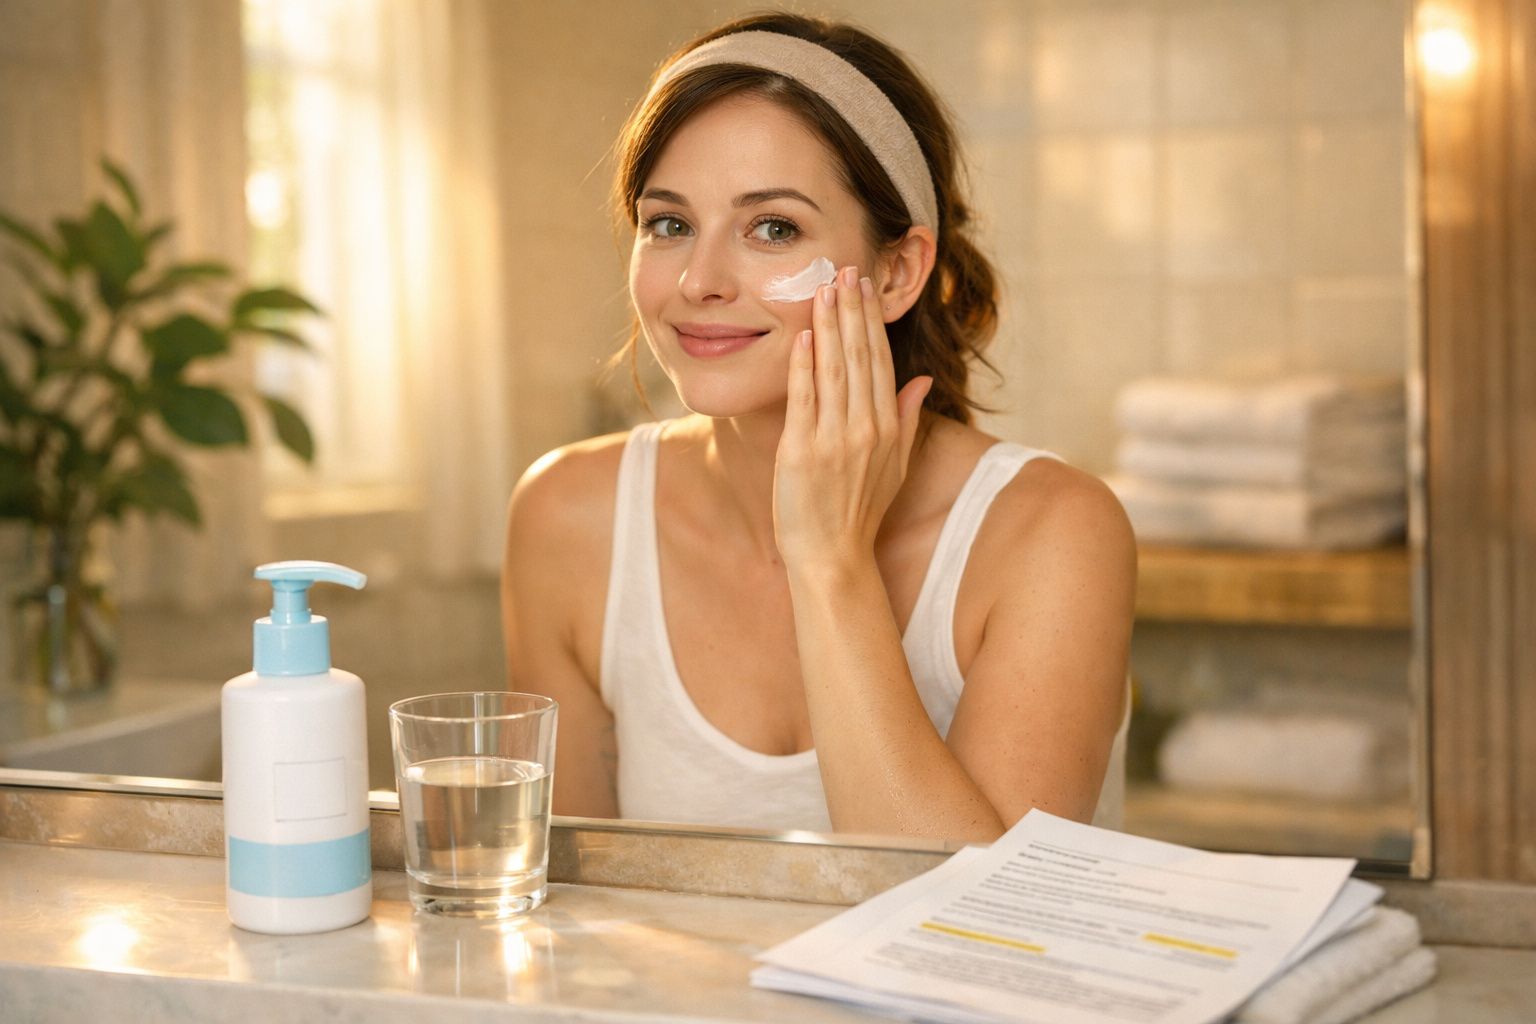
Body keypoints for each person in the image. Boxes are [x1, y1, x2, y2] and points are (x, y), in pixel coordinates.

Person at [501, 12, 1135, 842]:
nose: (698, 280)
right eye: (669, 224)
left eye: (774, 228)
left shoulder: (1052, 532)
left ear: (897, 272)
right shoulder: (566, 517)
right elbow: (574, 897)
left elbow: (978, 910)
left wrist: (831, 562)